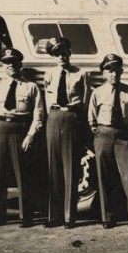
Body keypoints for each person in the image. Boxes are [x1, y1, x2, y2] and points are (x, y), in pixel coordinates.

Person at [0, 48, 45, 227]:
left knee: (23, 174)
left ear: (20, 64)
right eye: (7, 62)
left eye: (14, 62)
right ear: (3, 66)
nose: (11, 66)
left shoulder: (31, 87)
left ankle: (26, 216)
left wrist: (31, 135)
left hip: (21, 130)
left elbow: (38, 115)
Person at [88, 54, 128, 229]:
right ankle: (107, 217)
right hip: (103, 134)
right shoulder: (97, 92)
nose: (113, 74)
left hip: (123, 136)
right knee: (103, 176)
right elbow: (92, 118)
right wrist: (99, 132)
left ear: (122, 71)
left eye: (117, 70)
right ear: (103, 73)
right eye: (109, 70)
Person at [41, 37, 88, 229]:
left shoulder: (81, 74)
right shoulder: (49, 74)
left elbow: (85, 101)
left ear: (69, 53)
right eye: (57, 54)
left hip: (72, 118)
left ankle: (70, 216)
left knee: (70, 168)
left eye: (63, 52)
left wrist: (82, 126)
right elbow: (46, 99)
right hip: (53, 118)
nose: (61, 57)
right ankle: (55, 216)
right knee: (54, 168)